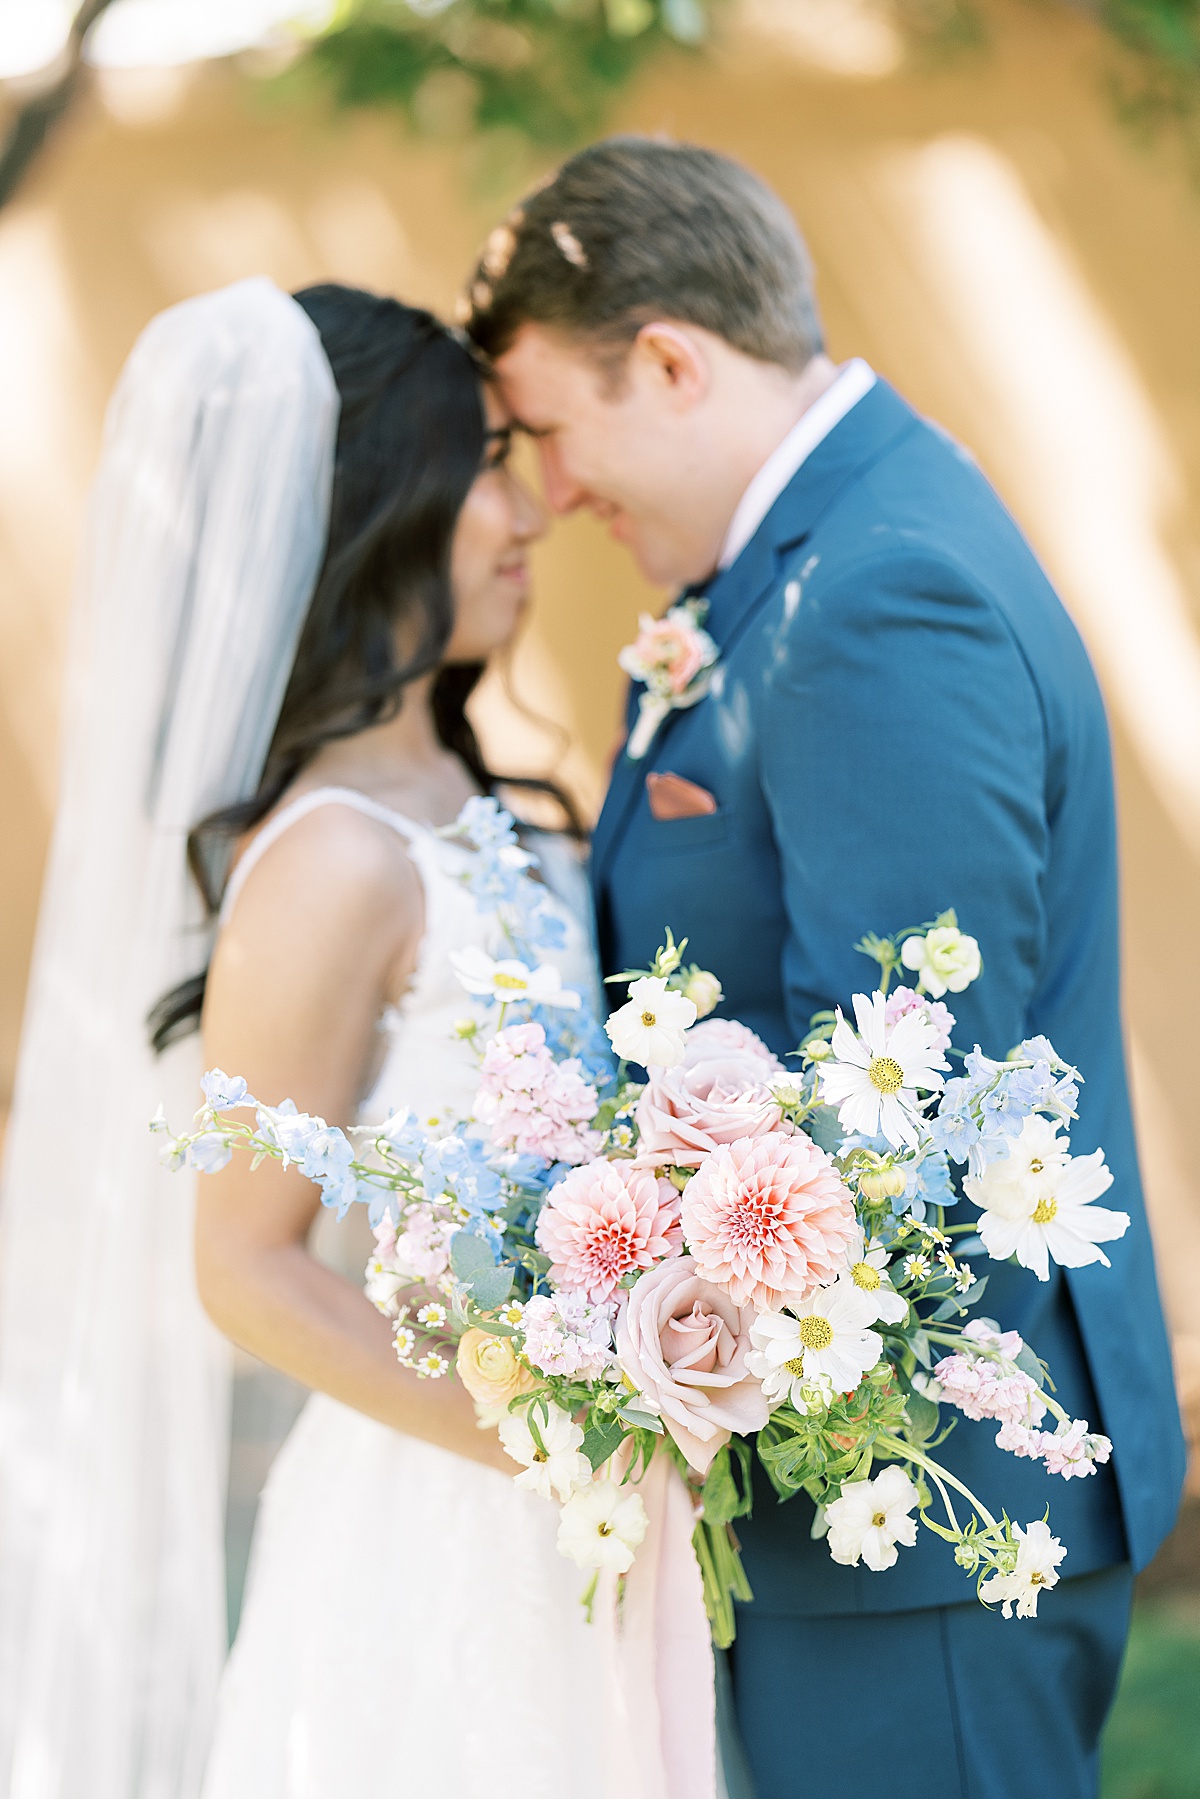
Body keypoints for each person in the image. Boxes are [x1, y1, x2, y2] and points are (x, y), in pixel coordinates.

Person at [465, 136, 1186, 1799]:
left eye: (555, 429)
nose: (555, 491)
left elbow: (904, 1102)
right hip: (841, 1515)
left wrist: (630, 1310)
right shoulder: (816, 555)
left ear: (668, 357)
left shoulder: (876, 596)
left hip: (917, 1519)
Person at [0, 277, 607, 1799]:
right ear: (375, 499)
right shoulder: (333, 858)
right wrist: (547, 1439)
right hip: (448, 1519)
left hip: (581, 1506)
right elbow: (247, 1265)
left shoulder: (472, 804)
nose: (527, 508)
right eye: (481, 459)